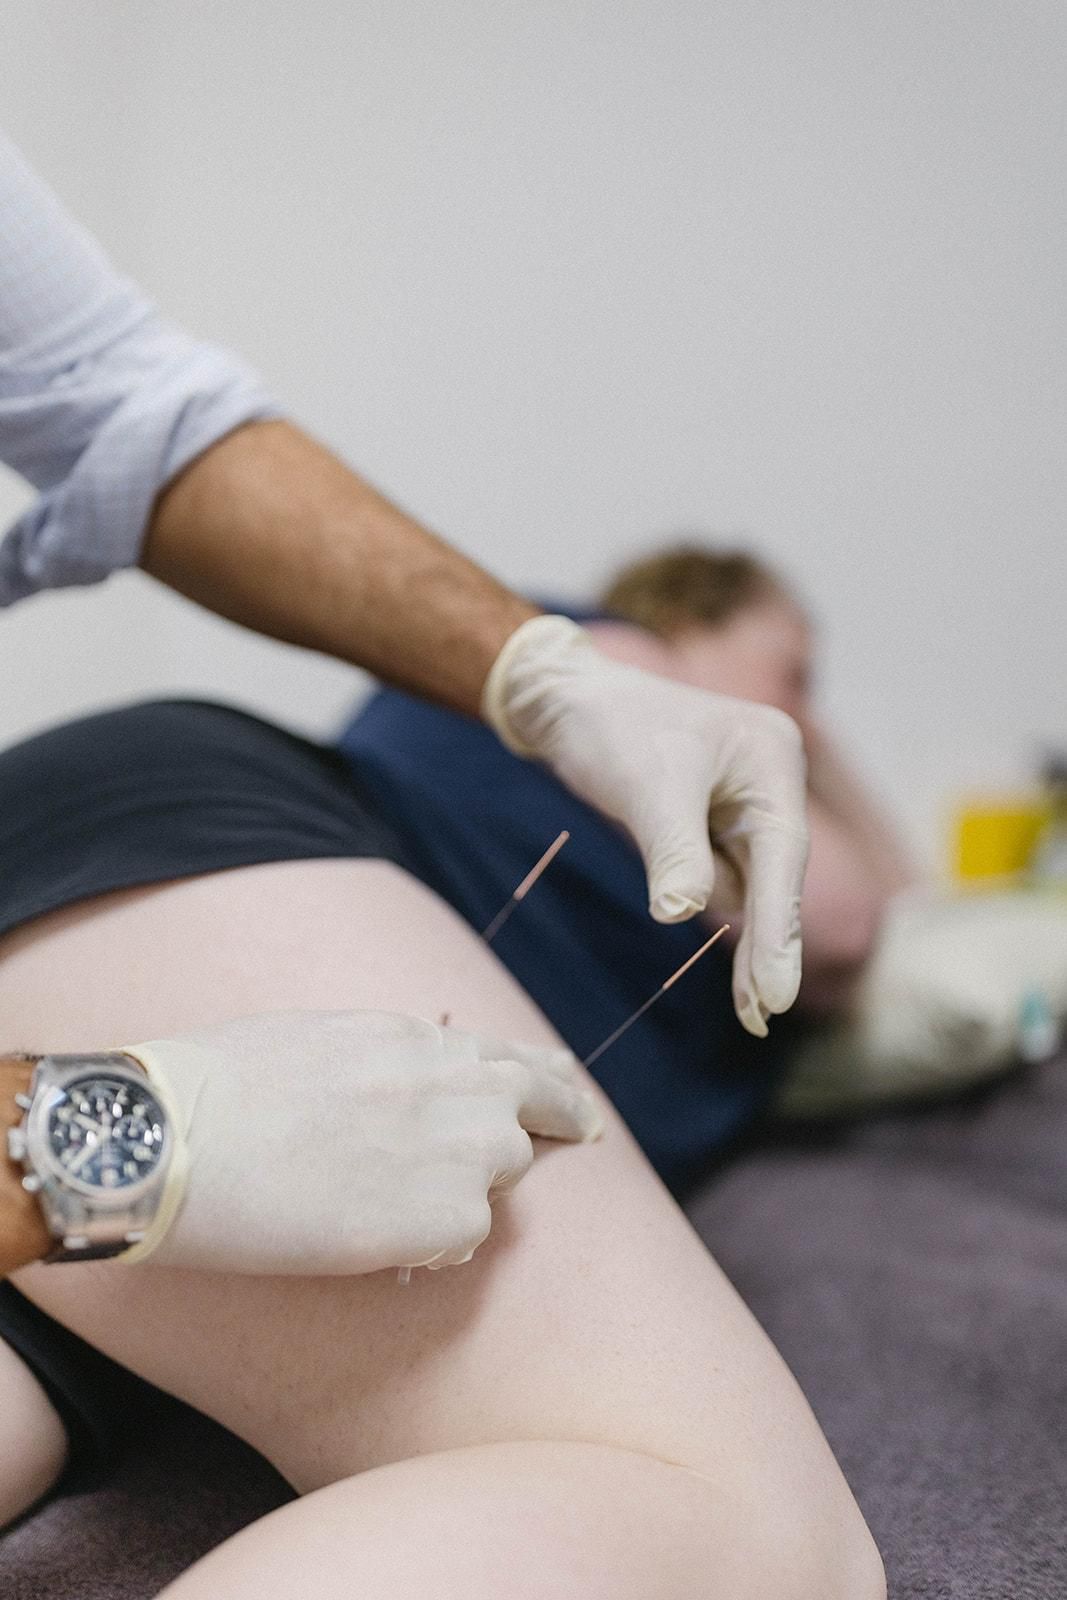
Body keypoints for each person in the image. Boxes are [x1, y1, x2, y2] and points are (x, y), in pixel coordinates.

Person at [0, 129, 808, 1278]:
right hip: (169, 839)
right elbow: (851, 927)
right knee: (697, 1469)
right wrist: (109, 1139)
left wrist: (544, 675)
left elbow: (131, 415)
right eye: (795, 674)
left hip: (144, 831)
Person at [0, 695, 885, 1599]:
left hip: (76, 1080)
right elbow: (849, 913)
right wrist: (805, 725)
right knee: (750, 1536)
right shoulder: (623, 672)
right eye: (786, 658)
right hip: (152, 843)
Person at [337, 543, 915, 1191]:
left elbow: (906, 894)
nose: (802, 720)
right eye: (794, 676)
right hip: (447, 1119)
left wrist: (806, 739)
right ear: (687, 624)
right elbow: (837, 924)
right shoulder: (592, 659)